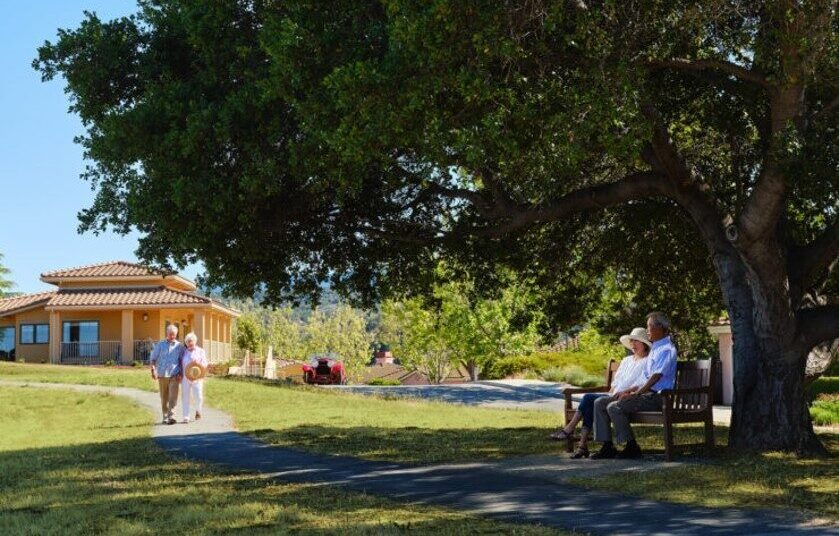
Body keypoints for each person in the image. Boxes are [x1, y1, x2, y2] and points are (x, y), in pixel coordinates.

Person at [549, 327, 651, 459]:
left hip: (629, 397)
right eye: (631, 341)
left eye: (636, 342)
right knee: (591, 402)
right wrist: (613, 391)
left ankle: (579, 437)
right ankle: (585, 444)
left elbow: (643, 382)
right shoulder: (627, 360)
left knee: (590, 399)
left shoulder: (648, 361)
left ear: (644, 344)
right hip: (613, 394)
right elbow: (616, 381)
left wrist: (626, 392)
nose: (633, 344)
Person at [591, 311, 678, 459]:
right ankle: (607, 446)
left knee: (615, 406)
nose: (647, 331)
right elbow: (644, 379)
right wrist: (628, 390)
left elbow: (655, 377)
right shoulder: (656, 348)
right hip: (645, 395)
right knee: (600, 402)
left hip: (657, 398)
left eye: (649, 327)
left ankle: (631, 446)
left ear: (660, 328)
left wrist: (636, 394)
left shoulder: (667, 349)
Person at [150, 324, 185, 425]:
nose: (172, 336)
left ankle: (171, 416)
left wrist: (181, 373)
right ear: (167, 333)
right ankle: (165, 416)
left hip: (174, 374)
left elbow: (182, 361)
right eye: (170, 334)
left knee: (173, 397)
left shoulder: (179, 346)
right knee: (164, 397)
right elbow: (153, 358)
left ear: (176, 334)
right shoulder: (160, 345)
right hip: (162, 374)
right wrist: (153, 370)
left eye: (174, 334)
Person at [180, 332, 208, 423]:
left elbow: (205, 363)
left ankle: (198, 410)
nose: (189, 343)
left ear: (195, 341)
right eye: (188, 341)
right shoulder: (184, 352)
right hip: (186, 377)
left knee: (198, 396)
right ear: (186, 343)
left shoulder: (201, 351)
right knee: (185, 397)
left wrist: (198, 363)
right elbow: (181, 364)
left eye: (191, 341)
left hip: (197, 377)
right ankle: (186, 416)